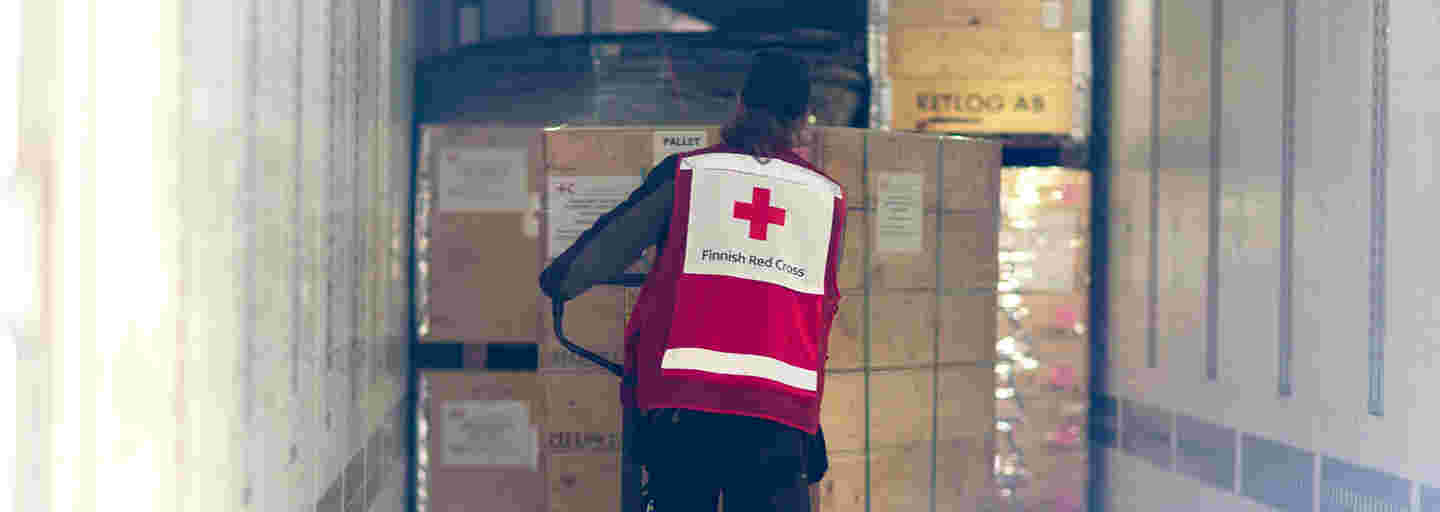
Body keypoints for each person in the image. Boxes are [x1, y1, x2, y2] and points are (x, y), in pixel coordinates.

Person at [539, 50, 844, 512]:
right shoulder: (827, 198)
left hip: (686, 411)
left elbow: (604, 250)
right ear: (803, 120)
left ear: (740, 104)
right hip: (781, 417)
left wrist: (559, 282)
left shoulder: (689, 174)